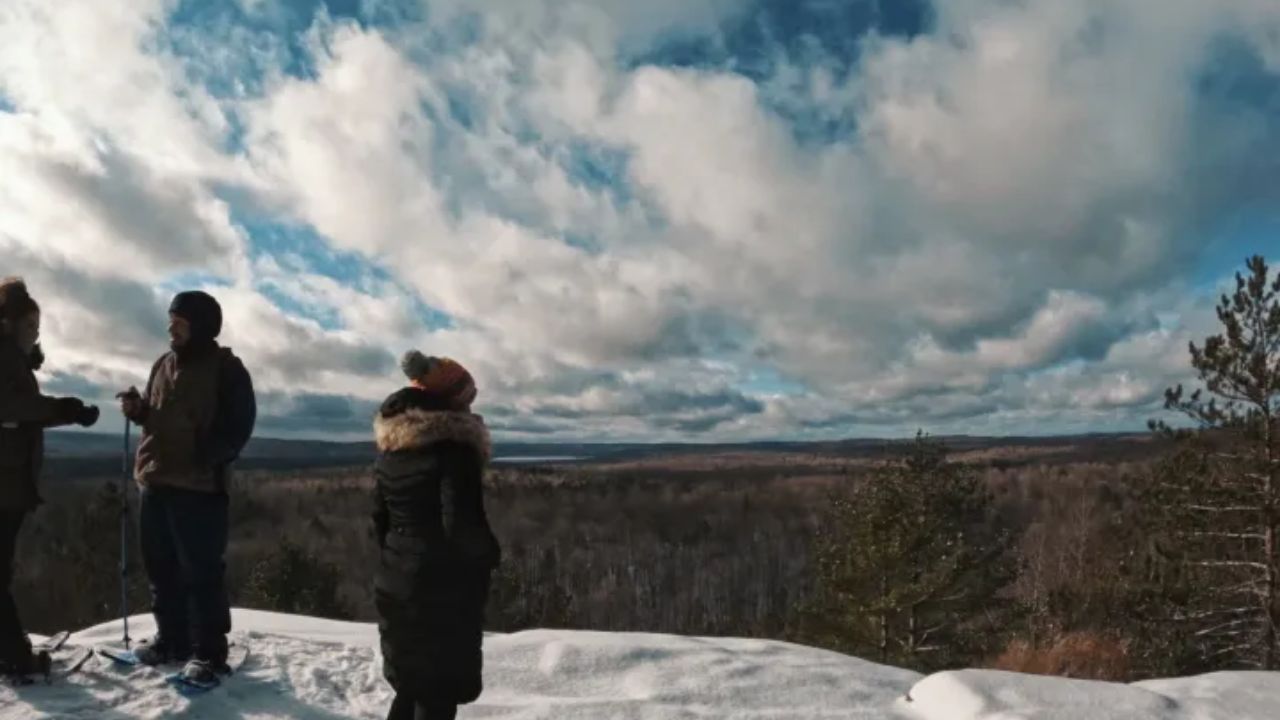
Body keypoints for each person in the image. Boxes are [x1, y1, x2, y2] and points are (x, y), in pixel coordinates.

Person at [117, 290, 255, 683]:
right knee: (161, 569)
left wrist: (206, 455)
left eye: (178, 322)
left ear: (201, 326)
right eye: (170, 321)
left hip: (198, 488)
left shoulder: (227, 368)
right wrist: (138, 409)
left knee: (201, 573)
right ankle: (172, 640)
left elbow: (239, 425)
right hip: (155, 480)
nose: (170, 328)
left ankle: (209, 653)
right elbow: (155, 415)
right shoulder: (163, 363)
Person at [373, 351, 501, 720]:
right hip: (440, 588)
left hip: (396, 578)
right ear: (452, 399)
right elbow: (462, 525)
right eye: (468, 396)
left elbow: (379, 519)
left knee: (411, 685)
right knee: (438, 694)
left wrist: (399, 561)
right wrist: (488, 559)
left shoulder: (391, 447)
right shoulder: (455, 449)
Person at [0, 278, 99, 677]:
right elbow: (12, 405)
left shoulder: (13, 360)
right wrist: (66, 409)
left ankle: (8, 648)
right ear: (8, 323)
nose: (35, 335)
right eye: (30, 327)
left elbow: (20, 416)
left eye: (38, 329)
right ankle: (13, 655)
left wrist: (67, 414)